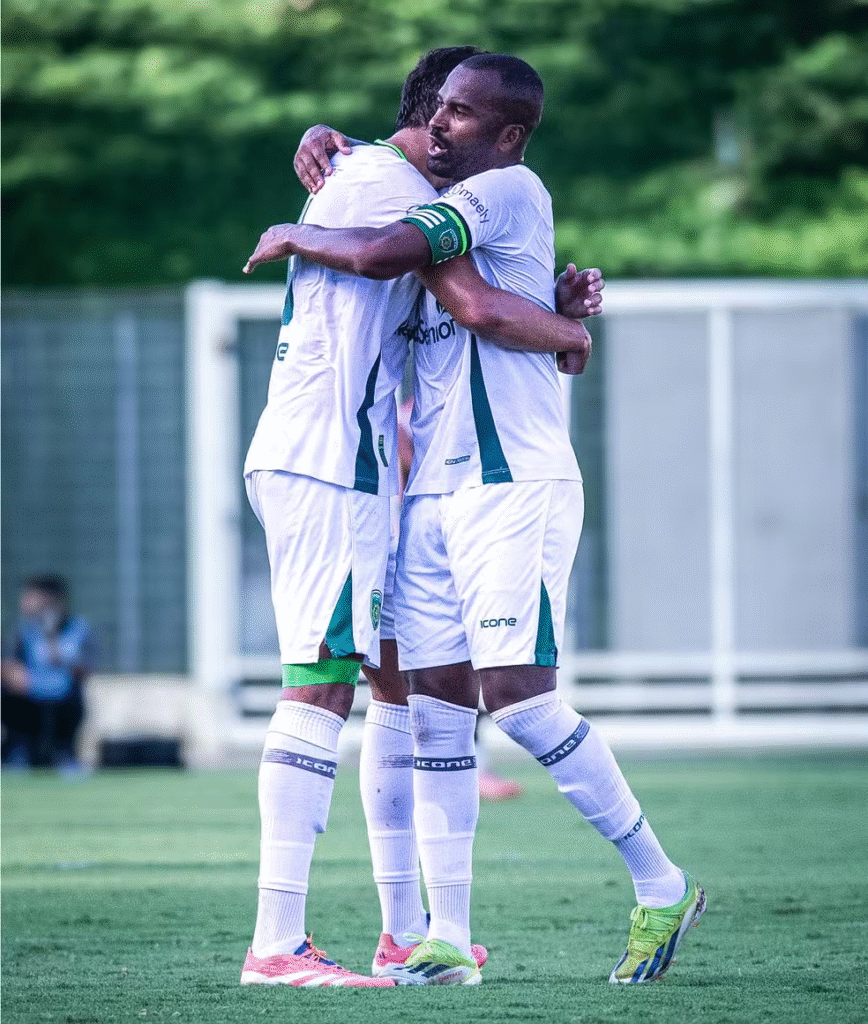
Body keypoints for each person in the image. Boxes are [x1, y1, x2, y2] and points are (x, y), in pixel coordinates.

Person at [247, 52, 705, 987]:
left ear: (507, 134)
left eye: (466, 115)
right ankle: (440, 935)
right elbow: (445, 278)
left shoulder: (505, 188)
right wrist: (567, 321)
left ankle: (659, 881)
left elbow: (463, 296)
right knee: (428, 707)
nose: (448, 128)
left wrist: (295, 230)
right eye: (441, 112)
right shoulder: (400, 187)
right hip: (419, 491)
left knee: (514, 696)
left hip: (508, 484)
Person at [1, 574, 96, 779]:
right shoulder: (22, 631)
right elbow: (9, 665)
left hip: (64, 697)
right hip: (27, 696)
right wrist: (15, 675)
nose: (25, 602)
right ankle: (17, 751)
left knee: (72, 698)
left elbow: (86, 669)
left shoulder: (78, 628)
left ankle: (66, 754)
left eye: (31, 597)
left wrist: (57, 650)